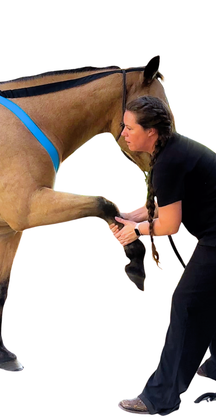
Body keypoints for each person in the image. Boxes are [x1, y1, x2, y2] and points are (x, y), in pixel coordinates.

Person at [109, 95, 216, 415]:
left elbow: (170, 224)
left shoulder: (168, 162)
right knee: (208, 298)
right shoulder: (171, 151)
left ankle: (161, 396)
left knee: (188, 304)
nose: (123, 133)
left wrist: (136, 231)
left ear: (151, 131)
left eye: (129, 128)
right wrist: (132, 216)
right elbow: (168, 201)